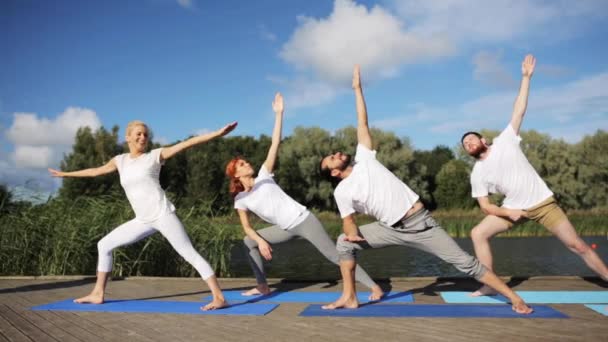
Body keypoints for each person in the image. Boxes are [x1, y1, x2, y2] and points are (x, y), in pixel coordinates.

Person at [318, 65, 532, 314]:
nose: (336, 154)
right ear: (334, 172)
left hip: (420, 224)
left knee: (466, 264)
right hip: (389, 229)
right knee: (344, 243)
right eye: (332, 158)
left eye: (333, 154)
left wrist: (357, 89)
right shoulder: (341, 192)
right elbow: (348, 221)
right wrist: (351, 232)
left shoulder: (364, 157)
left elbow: (362, 123)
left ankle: (513, 297)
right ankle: (349, 296)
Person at [49, 120, 237, 310]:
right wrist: (66, 174)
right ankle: (98, 293)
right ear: (128, 137)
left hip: (163, 215)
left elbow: (187, 144)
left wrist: (216, 134)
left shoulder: (154, 156)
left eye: (145, 135)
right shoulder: (120, 161)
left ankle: (219, 297)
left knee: (188, 253)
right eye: (138, 134)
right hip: (142, 220)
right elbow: (95, 171)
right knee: (104, 245)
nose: (142, 137)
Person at [461, 54, 608, 296]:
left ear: (483, 140)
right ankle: (490, 283)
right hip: (514, 208)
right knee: (478, 233)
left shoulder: (505, 140)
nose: (468, 143)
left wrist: (526, 77)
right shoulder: (477, 173)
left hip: (543, 204)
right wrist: (510, 212)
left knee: (576, 245)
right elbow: (486, 207)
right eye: (465, 143)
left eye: (471, 138)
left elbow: (519, 110)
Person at [225, 92, 383, 299]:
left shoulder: (264, 175)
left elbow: (275, 143)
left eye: (245, 161)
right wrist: (261, 241)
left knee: (334, 256)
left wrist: (279, 114)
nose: (247, 164)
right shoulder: (241, 199)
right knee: (249, 241)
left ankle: (374, 287)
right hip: (285, 229)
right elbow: (246, 227)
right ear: (236, 174)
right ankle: (262, 286)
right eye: (242, 164)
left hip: (304, 220)